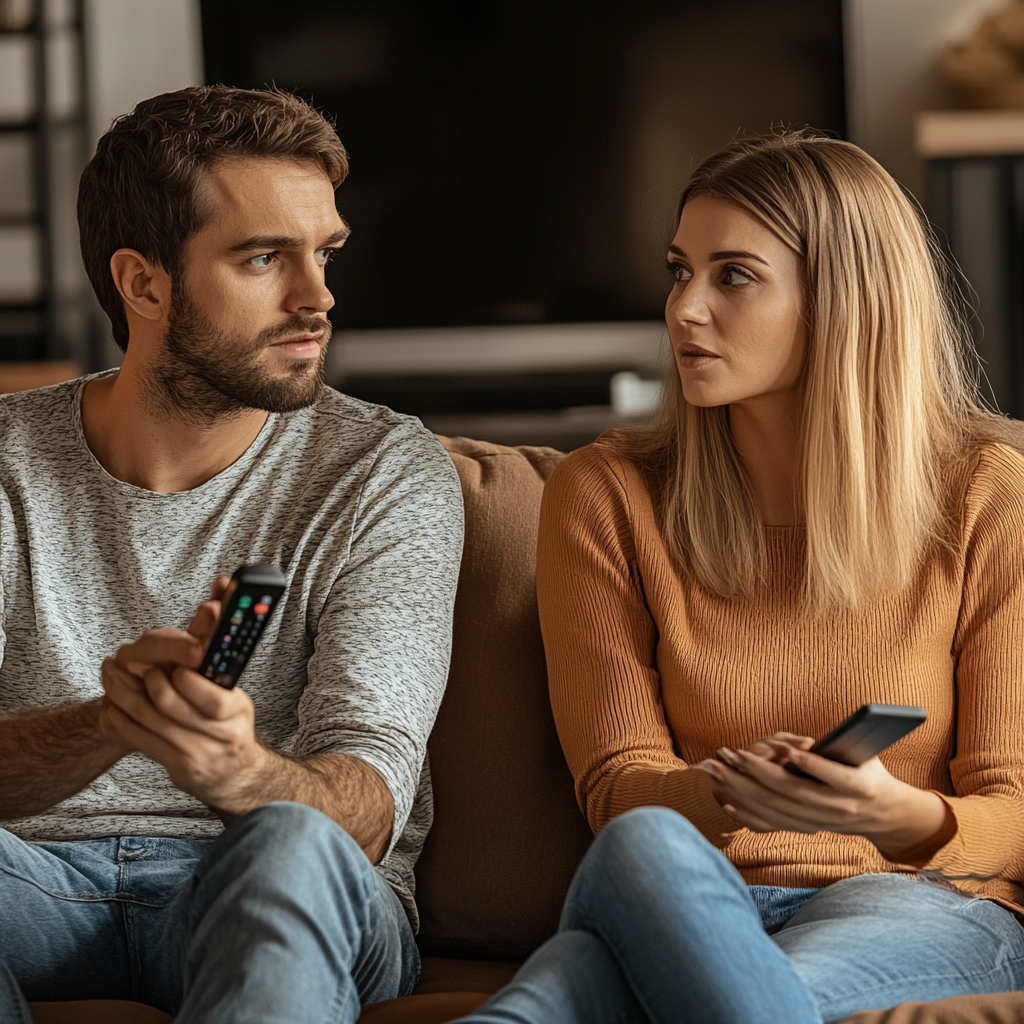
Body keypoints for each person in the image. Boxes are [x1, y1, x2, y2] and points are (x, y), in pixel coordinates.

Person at [455, 132, 1024, 1024]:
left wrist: (888, 812)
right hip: (672, 894)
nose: (684, 309)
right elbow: (618, 788)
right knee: (642, 844)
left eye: (734, 276)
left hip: (910, 899)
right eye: (680, 271)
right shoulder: (604, 494)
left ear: (845, 302)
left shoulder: (987, 494)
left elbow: (1012, 807)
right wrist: (726, 792)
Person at [0, 86, 463, 1022]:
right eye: (264, 258)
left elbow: (367, 805)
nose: (318, 296)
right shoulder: (8, 460)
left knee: (291, 846)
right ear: (145, 284)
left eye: (324, 253)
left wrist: (236, 772)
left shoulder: (381, 472)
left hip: (267, 878)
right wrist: (114, 722)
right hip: (30, 885)